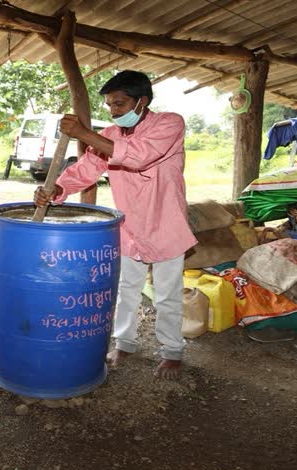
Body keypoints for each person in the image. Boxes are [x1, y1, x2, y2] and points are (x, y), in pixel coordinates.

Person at [33, 70, 197, 380]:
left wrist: (83, 133)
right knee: (126, 289)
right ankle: (125, 343)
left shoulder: (169, 124)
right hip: (129, 228)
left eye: (119, 104)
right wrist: (57, 189)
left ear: (142, 102)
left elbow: (138, 157)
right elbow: (85, 169)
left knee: (166, 294)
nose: (113, 111)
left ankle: (172, 351)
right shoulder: (108, 134)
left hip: (166, 225)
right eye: (109, 105)